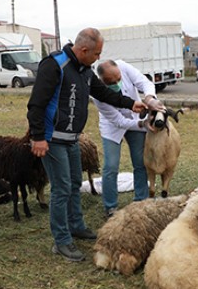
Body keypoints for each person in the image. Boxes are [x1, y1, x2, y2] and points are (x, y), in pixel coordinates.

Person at [27, 28, 146, 262]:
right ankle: (61, 241)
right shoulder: (54, 66)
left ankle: (77, 226)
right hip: (52, 140)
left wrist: (130, 103)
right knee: (61, 189)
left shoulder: (85, 70)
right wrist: (38, 137)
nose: (98, 58)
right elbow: (36, 104)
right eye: (97, 54)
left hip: (72, 139)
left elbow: (102, 93)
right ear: (83, 50)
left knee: (72, 184)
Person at [93, 60, 164, 218]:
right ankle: (110, 207)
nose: (117, 82)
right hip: (112, 126)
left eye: (118, 78)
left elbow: (144, 82)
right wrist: (142, 124)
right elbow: (119, 121)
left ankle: (141, 200)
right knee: (111, 166)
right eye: (112, 82)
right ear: (103, 80)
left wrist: (150, 98)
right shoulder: (97, 92)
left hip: (135, 115)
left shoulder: (123, 66)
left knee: (140, 162)